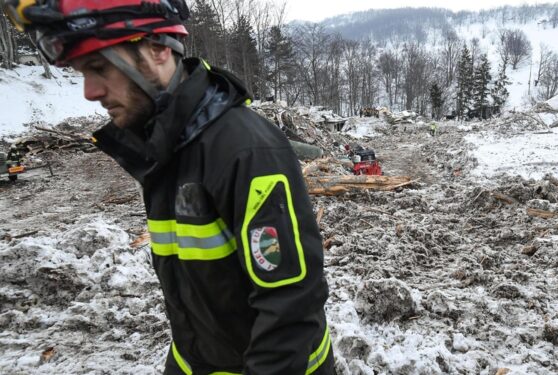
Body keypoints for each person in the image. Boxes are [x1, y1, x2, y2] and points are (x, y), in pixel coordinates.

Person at [1, 0, 334, 374]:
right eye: (81, 72)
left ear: (157, 50)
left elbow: (290, 307)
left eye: (99, 67)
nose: (89, 91)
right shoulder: (168, 149)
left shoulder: (245, 152)